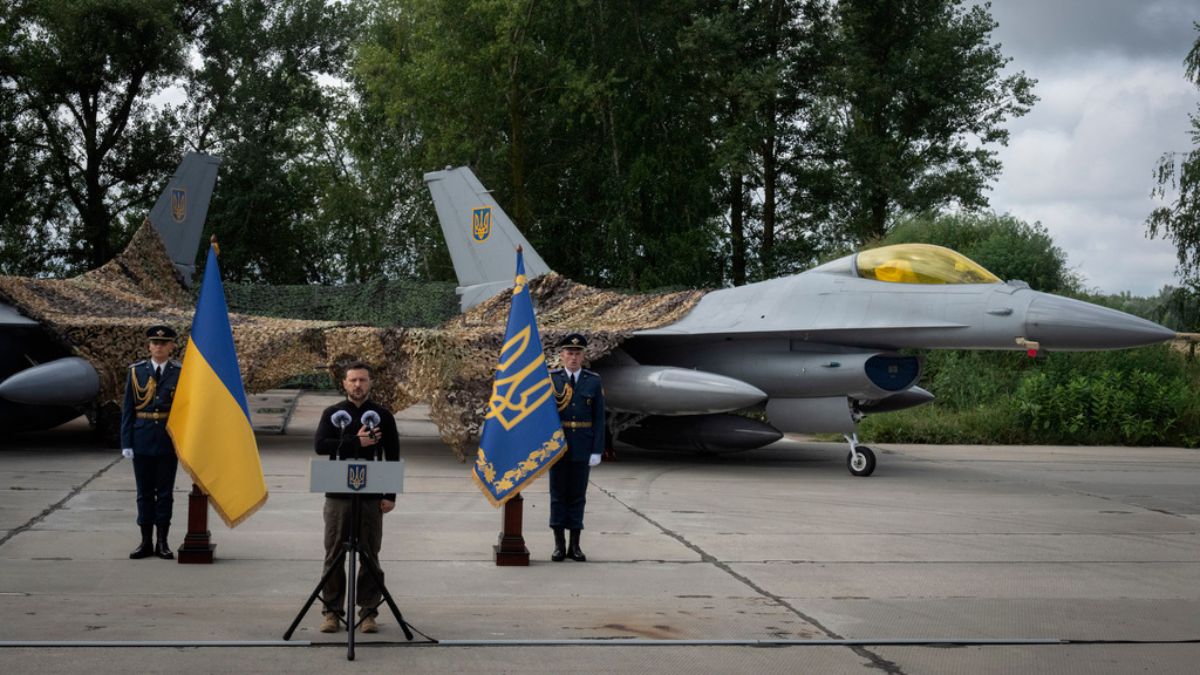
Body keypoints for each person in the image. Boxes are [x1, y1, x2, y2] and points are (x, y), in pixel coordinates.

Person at [313, 362, 400, 634]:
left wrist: (390, 495)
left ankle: (368, 611)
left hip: (371, 496)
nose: (358, 385)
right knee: (335, 553)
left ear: (370, 383)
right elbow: (320, 446)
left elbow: (392, 455)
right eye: (353, 380)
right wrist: (354, 442)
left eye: (362, 380)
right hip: (339, 495)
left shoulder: (383, 415)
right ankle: (332, 611)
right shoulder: (332, 413)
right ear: (344, 384)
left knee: (370, 554)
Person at [120, 325, 181, 560]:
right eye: (155, 343)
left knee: (165, 493)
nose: (159, 347)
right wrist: (127, 442)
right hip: (142, 438)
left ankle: (162, 542)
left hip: (167, 440)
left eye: (164, 343)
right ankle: (145, 541)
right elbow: (128, 409)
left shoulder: (179, 372)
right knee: (144, 493)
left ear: (171, 346)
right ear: (149, 346)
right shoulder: (136, 372)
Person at [548, 333, 605, 562]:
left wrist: (597, 450)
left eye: (577, 353)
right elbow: (545, 416)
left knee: (578, 496)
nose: (573, 357)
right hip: (559, 445)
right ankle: (559, 546)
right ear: (561, 355)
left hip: (582, 444)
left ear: (583, 355)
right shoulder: (552, 379)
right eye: (569, 353)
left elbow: (599, 418)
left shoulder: (593, 380)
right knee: (558, 495)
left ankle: (576, 545)